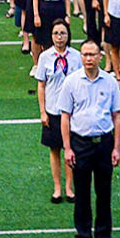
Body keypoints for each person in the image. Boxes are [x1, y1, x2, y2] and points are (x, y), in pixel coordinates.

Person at [60, 39, 120, 238]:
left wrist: (116, 147)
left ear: (100, 56)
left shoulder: (110, 82)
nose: (88, 59)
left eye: (92, 54)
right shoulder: (71, 82)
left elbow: (117, 116)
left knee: (104, 191)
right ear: (81, 57)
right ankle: (83, 235)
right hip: (80, 143)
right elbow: (65, 117)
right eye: (85, 54)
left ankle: (104, 236)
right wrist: (68, 148)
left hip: (104, 143)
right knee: (81, 192)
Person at [33, 19, 79, 203]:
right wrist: (42, 112)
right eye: (55, 34)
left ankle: (69, 187)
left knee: (70, 149)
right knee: (54, 150)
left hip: (72, 112)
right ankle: (57, 187)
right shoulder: (45, 57)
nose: (59, 37)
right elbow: (41, 86)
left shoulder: (76, 57)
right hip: (53, 110)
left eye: (62, 33)